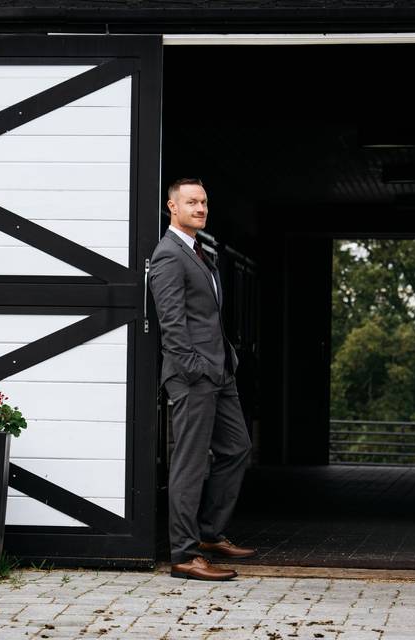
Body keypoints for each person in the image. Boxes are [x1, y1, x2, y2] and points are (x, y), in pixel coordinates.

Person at [149, 178, 255, 581]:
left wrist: (221, 364)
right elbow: (172, 324)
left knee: (237, 448)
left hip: (218, 371)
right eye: (191, 202)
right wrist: (194, 368)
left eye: (204, 202)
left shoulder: (198, 251)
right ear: (172, 207)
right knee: (189, 466)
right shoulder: (168, 255)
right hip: (193, 375)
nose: (200, 208)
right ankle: (184, 554)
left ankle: (209, 533)